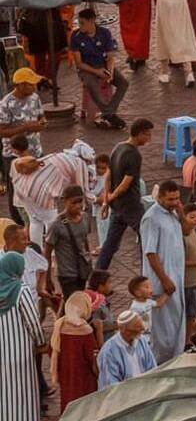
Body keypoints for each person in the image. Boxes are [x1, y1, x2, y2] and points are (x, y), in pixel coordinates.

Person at [96, 118, 154, 271]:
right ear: (139, 134)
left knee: (110, 243)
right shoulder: (134, 155)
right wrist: (110, 198)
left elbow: (108, 175)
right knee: (146, 237)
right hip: (131, 205)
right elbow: (124, 185)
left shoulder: (118, 147)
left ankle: (98, 273)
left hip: (118, 207)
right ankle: (146, 273)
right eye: (147, 135)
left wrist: (107, 200)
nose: (149, 139)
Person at [140, 179, 187, 364]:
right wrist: (164, 279)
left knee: (175, 325)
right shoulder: (151, 218)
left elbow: (186, 231)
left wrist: (180, 211)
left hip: (176, 280)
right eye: (170, 199)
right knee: (162, 332)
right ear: (159, 197)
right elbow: (150, 253)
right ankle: (159, 365)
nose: (174, 202)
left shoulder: (172, 213)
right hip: (162, 283)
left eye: (177, 198)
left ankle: (174, 360)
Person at [0, 251, 46, 421]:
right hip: (21, 353)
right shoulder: (21, 290)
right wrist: (41, 342)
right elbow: (33, 321)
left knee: (4, 393)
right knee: (23, 393)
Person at [69, 6, 129, 130]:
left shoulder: (105, 33)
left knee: (123, 83)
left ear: (92, 21)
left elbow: (110, 57)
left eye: (82, 23)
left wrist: (110, 73)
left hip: (103, 65)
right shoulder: (75, 36)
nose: (80, 26)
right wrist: (97, 72)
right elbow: (79, 63)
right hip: (87, 69)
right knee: (91, 84)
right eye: (79, 23)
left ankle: (108, 112)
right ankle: (109, 114)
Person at [0, 68, 46, 225]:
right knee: (17, 193)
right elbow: (2, 131)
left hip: (35, 151)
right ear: (20, 85)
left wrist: (41, 125)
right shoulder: (6, 104)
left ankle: (36, 219)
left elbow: (42, 118)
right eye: (30, 84)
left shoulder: (34, 97)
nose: (34, 87)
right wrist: (25, 128)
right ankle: (19, 224)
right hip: (14, 156)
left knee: (37, 186)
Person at [49, 290, 97, 412]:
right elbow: (91, 356)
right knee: (83, 406)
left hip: (65, 373)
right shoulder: (85, 330)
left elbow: (53, 349)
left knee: (67, 399)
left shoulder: (60, 325)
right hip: (83, 375)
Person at [44, 184, 93, 302]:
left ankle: (60, 320)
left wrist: (88, 261)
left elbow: (84, 241)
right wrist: (47, 279)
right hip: (66, 273)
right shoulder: (56, 225)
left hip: (82, 270)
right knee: (74, 304)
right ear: (64, 202)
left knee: (74, 303)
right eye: (74, 202)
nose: (78, 206)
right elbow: (47, 253)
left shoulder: (86, 218)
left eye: (80, 201)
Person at [97, 311, 157, 388]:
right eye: (138, 327)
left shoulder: (141, 340)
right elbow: (110, 385)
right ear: (125, 330)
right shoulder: (109, 351)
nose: (143, 328)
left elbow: (153, 369)